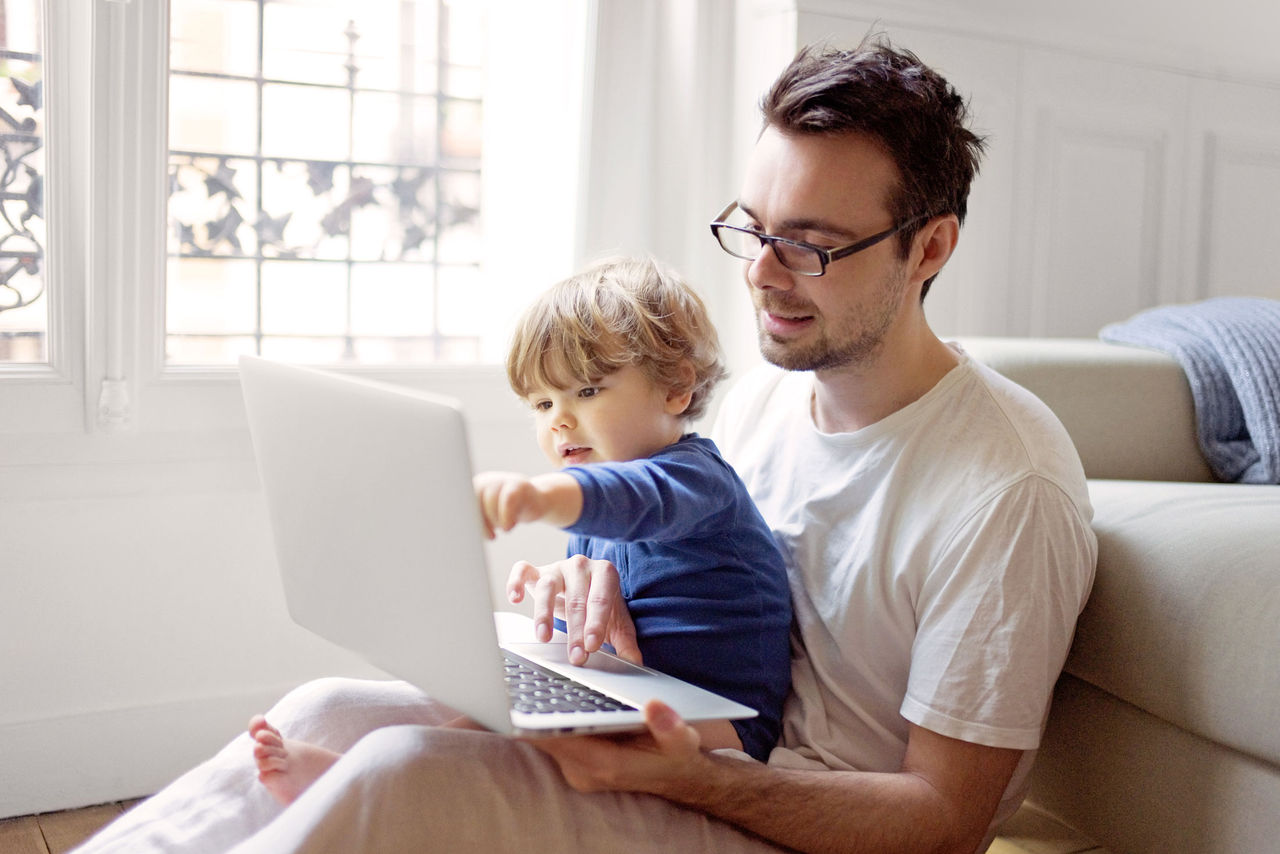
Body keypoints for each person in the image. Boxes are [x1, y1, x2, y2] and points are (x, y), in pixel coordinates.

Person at [75, 36, 1097, 854]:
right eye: (752, 227)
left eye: (812, 245)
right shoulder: (762, 406)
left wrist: (692, 774)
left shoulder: (1005, 486)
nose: (764, 275)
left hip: (780, 818)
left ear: (929, 246)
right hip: (692, 750)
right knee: (329, 707)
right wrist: (596, 612)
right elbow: (687, 573)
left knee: (399, 777)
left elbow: (945, 821)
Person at [245, 257, 792, 805]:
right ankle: (352, 776)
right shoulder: (591, 510)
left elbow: (639, 499)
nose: (558, 419)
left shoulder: (696, 479)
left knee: (500, 742)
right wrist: (554, 626)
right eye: (542, 402)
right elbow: (605, 624)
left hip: (724, 727)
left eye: (587, 391)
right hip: (640, 691)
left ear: (675, 390)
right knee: (505, 710)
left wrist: (537, 497)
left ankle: (351, 784)